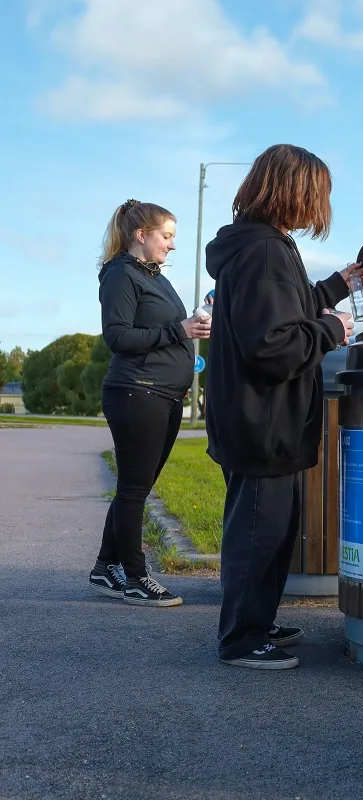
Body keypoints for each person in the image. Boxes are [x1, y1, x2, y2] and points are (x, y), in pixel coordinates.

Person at [203, 143, 363, 670]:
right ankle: (242, 639)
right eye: (317, 193)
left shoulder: (259, 247)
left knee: (270, 528)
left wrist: (335, 288)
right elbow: (273, 344)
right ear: (295, 191)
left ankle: (256, 619)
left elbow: (282, 307)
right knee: (260, 532)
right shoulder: (266, 251)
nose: (320, 205)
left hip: (255, 417)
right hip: (264, 419)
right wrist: (334, 328)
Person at [89, 199, 210, 608]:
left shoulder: (153, 275)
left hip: (163, 394)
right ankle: (137, 578)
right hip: (136, 392)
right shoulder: (122, 274)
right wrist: (179, 330)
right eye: (167, 236)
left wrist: (192, 326)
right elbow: (118, 337)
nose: (172, 245)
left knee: (135, 488)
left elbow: (168, 328)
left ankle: (107, 567)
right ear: (142, 235)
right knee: (134, 490)